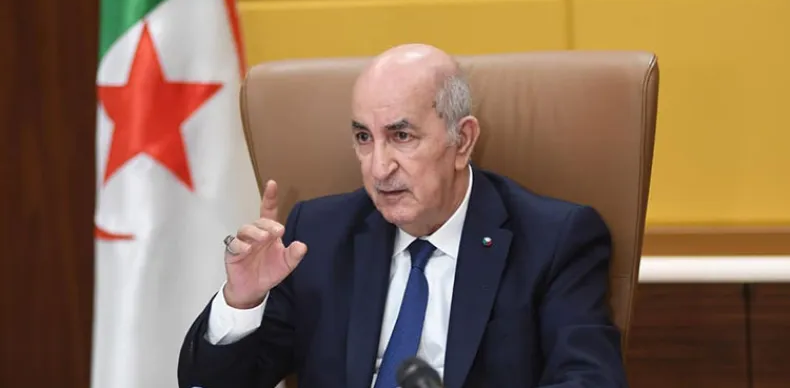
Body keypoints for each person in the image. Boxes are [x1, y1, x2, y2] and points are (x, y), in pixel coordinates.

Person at [177, 44, 627, 388]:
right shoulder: (316, 236)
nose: (378, 168)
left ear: (462, 141)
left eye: (401, 136)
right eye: (363, 137)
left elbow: (589, 380)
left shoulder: (553, 240)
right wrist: (242, 302)